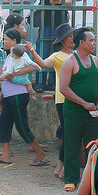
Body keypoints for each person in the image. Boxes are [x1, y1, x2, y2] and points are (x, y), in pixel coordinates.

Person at [60, 28, 98, 192]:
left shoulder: (96, 61)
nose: (94, 43)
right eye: (91, 40)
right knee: (71, 144)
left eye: (94, 40)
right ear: (81, 43)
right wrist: (84, 103)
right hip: (73, 111)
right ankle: (71, 178)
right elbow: (64, 89)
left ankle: (92, 179)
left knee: (94, 146)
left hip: (93, 111)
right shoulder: (70, 62)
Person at [28, 23, 73, 178]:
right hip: (63, 98)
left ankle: (63, 164)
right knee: (69, 133)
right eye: (69, 36)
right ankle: (61, 164)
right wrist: (32, 51)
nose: (72, 38)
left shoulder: (76, 54)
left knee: (69, 133)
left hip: (73, 98)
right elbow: (43, 64)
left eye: (72, 35)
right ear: (62, 40)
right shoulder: (57, 56)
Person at [0, 31, 48, 166]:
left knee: (21, 126)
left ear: (14, 41)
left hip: (18, 95)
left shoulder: (21, 54)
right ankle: (5, 155)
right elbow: (5, 78)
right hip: (8, 95)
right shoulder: (9, 56)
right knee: (4, 124)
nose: (4, 42)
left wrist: (12, 75)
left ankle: (40, 153)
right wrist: (1, 96)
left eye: (6, 39)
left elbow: (31, 67)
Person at [38, 0, 74, 89]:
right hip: (46, 22)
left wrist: (58, 1)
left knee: (58, 52)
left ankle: (54, 83)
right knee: (44, 51)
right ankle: (41, 83)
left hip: (61, 23)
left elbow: (69, 1)